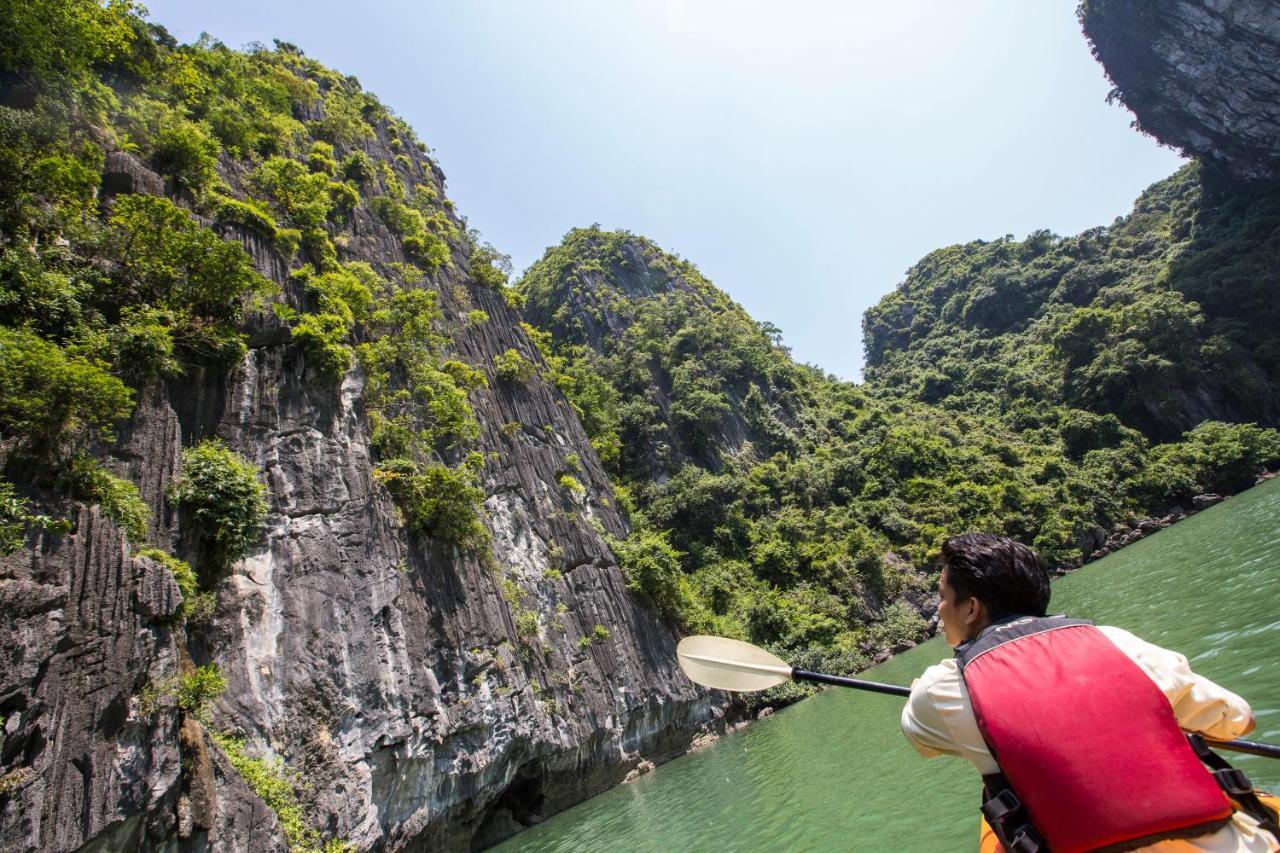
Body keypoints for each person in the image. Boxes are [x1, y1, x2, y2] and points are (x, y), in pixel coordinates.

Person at [901, 533, 1279, 853]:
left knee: (996, 801)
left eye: (943, 595)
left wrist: (922, 690)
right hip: (1232, 843)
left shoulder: (941, 687)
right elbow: (1238, 720)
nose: (939, 608)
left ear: (971, 608)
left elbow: (924, 740)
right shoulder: (1116, 641)